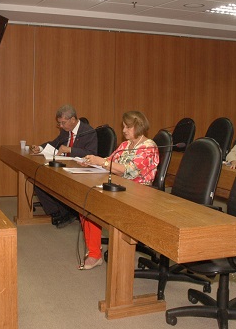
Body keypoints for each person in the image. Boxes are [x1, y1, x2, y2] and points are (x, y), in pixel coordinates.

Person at [81, 111, 159, 270]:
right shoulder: (125, 145)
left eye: (128, 127)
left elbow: (128, 170)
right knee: (85, 201)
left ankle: (95, 254)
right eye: (123, 126)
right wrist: (91, 162)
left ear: (139, 126)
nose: (124, 130)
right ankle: (94, 251)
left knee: (94, 205)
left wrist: (101, 162)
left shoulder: (149, 147)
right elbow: (109, 161)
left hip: (138, 194)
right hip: (120, 188)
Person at [29, 105, 98, 228]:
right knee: (38, 178)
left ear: (73, 119)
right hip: (65, 166)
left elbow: (92, 153)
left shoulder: (89, 132)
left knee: (57, 182)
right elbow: (55, 143)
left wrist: (70, 149)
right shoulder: (65, 131)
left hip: (80, 168)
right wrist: (40, 148)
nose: (61, 126)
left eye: (63, 123)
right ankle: (57, 212)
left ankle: (66, 212)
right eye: (59, 123)